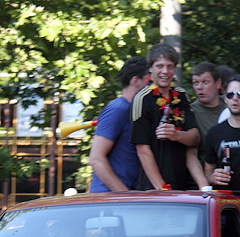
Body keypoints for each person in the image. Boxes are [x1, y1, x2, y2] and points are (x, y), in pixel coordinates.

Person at [130, 43, 208, 190]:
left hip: (182, 184)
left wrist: (177, 135)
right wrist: (163, 189)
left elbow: (195, 138)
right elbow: (142, 150)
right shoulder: (142, 99)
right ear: (150, 68)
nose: (165, 71)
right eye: (159, 66)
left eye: (170, 66)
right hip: (154, 188)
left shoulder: (181, 95)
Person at [88, 56, 149, 192]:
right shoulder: (117, 110)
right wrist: (125, 195)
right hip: (110, 200)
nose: (153, 86)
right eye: (149, 80)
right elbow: (96, 158)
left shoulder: (133, 110)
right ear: (135, 81)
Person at [189, 62, 226, 154]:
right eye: (196, 83)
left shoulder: (230, 104)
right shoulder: (191, 111)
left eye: (205, 82)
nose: (200, 87)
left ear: (218, 83)